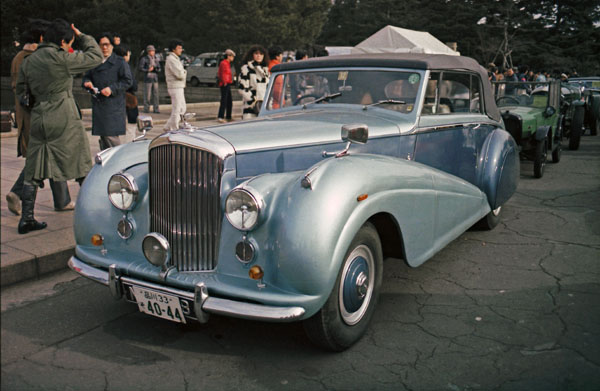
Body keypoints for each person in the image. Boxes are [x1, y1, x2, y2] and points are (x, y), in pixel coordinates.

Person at [15, 19, 102, 234]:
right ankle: (96, 214)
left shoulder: (29, 61)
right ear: (63, 41)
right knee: (81, 164)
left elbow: (21, 92)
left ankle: (26, 219)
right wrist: (81, 36)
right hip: (63, 115)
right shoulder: (63, 58)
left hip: (39, 116)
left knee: (33, 171)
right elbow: (96, 56)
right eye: (68, 41)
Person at [6, 19, 74, 216]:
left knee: (48, 157)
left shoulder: (19, 57)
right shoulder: (36, 58)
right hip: (40, 115)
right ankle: (18, 193)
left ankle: (62, 200)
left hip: (25, 116)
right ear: (43, 38)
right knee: (45, 157)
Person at [83, 32, 133, 150]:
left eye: (107, 44)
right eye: (101, 45)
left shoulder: (119, 62)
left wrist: (112, 89)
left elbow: (127, 81)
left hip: (113, 105)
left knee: (111, 138)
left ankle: (118, 164)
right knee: (104, 138)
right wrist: (87, 83)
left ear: (112, 46)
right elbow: (87, 76)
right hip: (99, 103)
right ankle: (107, 165)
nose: (104, 47)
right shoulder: (95, 62)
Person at [114, 43, 138, 142]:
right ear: (125, 54)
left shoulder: (112, 66)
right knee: (130, 128)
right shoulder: (125, 66)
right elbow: (133, 85)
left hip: (116, 100)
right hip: (127, 99)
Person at [239, 45, 269, 119]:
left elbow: (268, 88)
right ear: (252, 55)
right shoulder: (246, 69)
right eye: (256, 53)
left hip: (264, 106)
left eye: (261, 54)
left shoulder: (265, 70)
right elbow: (242, 88)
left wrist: (268, 102)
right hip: (251, 106)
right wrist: (252, 101)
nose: (259, 56)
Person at [164, 39, 187, 131]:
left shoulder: (175, 59)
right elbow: (180, 74)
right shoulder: (171, 59)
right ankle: (173, 128)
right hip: (175, 87)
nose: (181, 50)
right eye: (179, 48)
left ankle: (168, 126)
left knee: (182, 108)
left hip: (179, 86)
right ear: (173, 49)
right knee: (177, 109)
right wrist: (185, 72)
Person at [139, 44, 161, 113]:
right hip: (147, 79)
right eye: (151, 51)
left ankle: (156, 109)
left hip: (155, 78)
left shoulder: (156, 59)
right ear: (148, 51)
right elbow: (140, 68)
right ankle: (146, 108)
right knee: (147, 95)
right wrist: (148, 69)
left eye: (153, 51)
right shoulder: (144, 59)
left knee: (156, 95)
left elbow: (159, 68)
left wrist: (156, 69)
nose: (153, 52)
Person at [217, 49, 235, 122]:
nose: (233, 58)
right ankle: (221, 116)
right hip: (225, 83)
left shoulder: (227, 63)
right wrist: (224, 81)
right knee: (224, 100)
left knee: (229, 101)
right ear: (228, 56)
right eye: (232, 56)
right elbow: (223, 73)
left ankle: (228, 116)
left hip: (227, 82)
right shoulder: (224, 63)